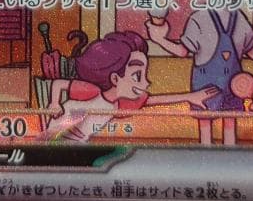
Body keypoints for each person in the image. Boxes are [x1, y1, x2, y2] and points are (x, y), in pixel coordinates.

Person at [45, 30, 217, 141]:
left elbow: (153, 100)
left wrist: (189, 97)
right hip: (54, 141)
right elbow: (59, 84)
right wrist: (54, 103)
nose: (146, 82)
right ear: (115, 78)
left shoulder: (118, 105)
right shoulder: (91, 92)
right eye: (137, 75)